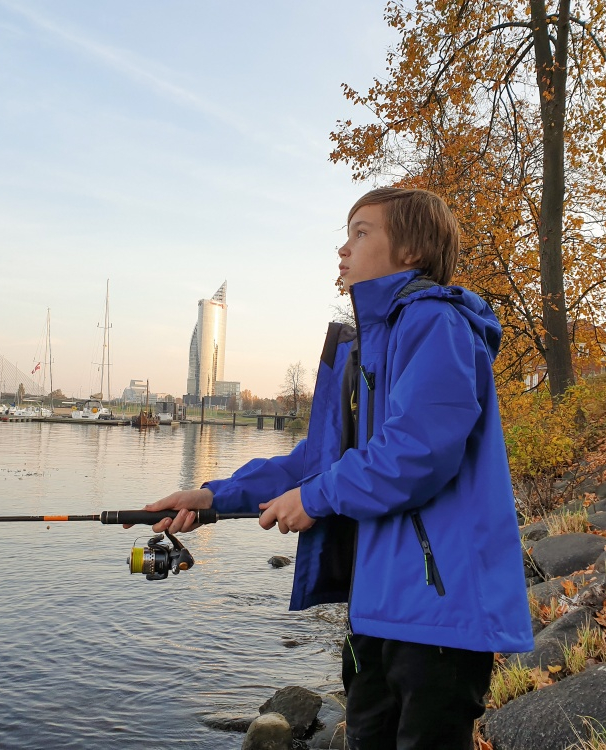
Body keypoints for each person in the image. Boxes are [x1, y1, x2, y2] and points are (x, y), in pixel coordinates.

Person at [137, 187, 533, 749]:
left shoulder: (435, 324)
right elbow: (316, 463)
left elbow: (418, 450)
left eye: (361, 233)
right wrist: (212, 498)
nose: (343, 250)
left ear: (412, 250)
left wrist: (317, 497)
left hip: (440, 613)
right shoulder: (357, 350)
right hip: (375, 613)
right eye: (347, 234)